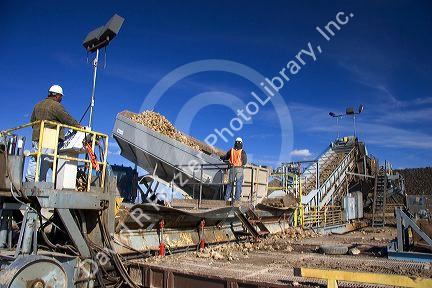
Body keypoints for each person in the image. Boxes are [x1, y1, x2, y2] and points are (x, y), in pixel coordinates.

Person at [26, 85, 81, 182]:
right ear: (57, 95)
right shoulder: (56, 106)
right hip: (49, 137)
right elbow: (66, 118)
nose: (61, 99)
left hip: (36, 137)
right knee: (46, 160)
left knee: (34, 158)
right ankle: (40, 182)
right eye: (61, 97)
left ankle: (29, 179)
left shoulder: (38, 105)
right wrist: (78, 126)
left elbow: (32, 121)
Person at [221, 137, 247, 204]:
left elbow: (225, 157)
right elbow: (244, 162)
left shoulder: (231, 150)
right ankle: (237, 200)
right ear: (241, 143)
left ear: (235, 143)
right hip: (239, 170)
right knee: (238, 185)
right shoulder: (242, 151)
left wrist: (221, 157)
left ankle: (226, 199)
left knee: (230, 185)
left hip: (232, 169)